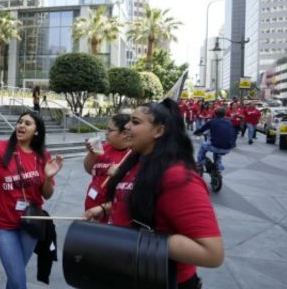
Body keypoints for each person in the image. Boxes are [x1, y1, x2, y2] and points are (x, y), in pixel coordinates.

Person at [84, 99, 224, 289]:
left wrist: (137, 238)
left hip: (165, 280)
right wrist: (105, 208)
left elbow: (212, 253)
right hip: (131, 274)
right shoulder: (136, 162)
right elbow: (143, 204)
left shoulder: (177, 176)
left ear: (159, 131)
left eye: (135, 122)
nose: (126, 126)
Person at [0, 111, 63, 289]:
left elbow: (47, 195)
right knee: (18, 279)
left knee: (16, 276)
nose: (21, 126)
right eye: (20, 122)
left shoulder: (43, 156)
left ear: (37, 131)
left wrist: (48, 177)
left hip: (31, 223)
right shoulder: (0, 148)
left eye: (27, 123)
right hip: (4, 223)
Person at [82, 113, 131, 222]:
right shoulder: (105, 147)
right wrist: (92, 153)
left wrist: (119, 174)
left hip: (107, 214)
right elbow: (88, 169)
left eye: (110, 130)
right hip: (91, 205)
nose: (106, 133)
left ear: (124, 133)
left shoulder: (131, 156)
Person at [193, 106, 235, 173]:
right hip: (228, 148)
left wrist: (195, 133)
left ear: (214, 114)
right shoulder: (229, 123)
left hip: (215, 146)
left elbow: (201, 129)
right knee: (218, 149)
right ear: (224, 114)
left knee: (203, 146)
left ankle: (200, 162)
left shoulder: (212, 122)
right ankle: (219, 166)